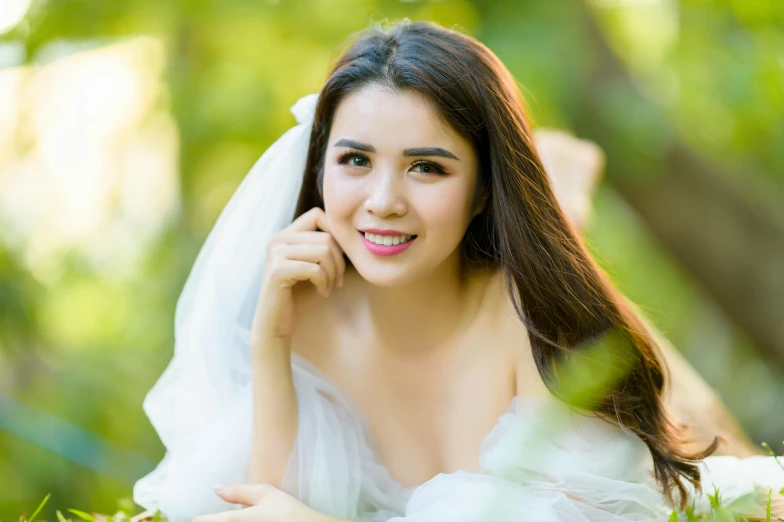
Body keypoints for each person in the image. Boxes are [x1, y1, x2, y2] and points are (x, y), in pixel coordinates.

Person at [133, 20, 784, 522]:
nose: (382, 199)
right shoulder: (303, 311)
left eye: (427, 167)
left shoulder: (536, 319)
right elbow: (260, 503)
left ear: (481, 191)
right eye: (355, 160)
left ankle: (564, 189)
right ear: (318, 166)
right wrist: (270, 342)